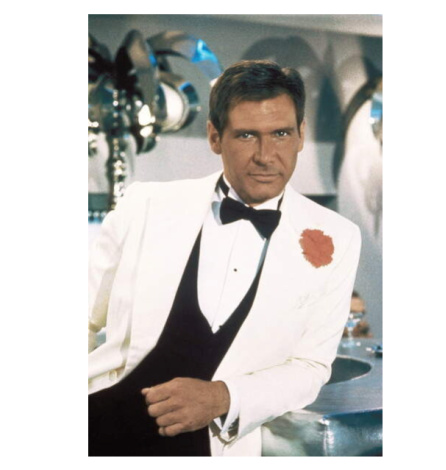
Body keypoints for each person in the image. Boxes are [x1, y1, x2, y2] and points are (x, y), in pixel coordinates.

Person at [88, 59, 361, 457]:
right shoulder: (145, 205)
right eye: (247, 135)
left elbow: (311, 366)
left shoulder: (339, 236)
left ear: (301, 134)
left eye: (281, 134)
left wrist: (223, 397)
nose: (266, 156)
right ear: (215, 137)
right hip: (99, 428)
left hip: (211, 446)